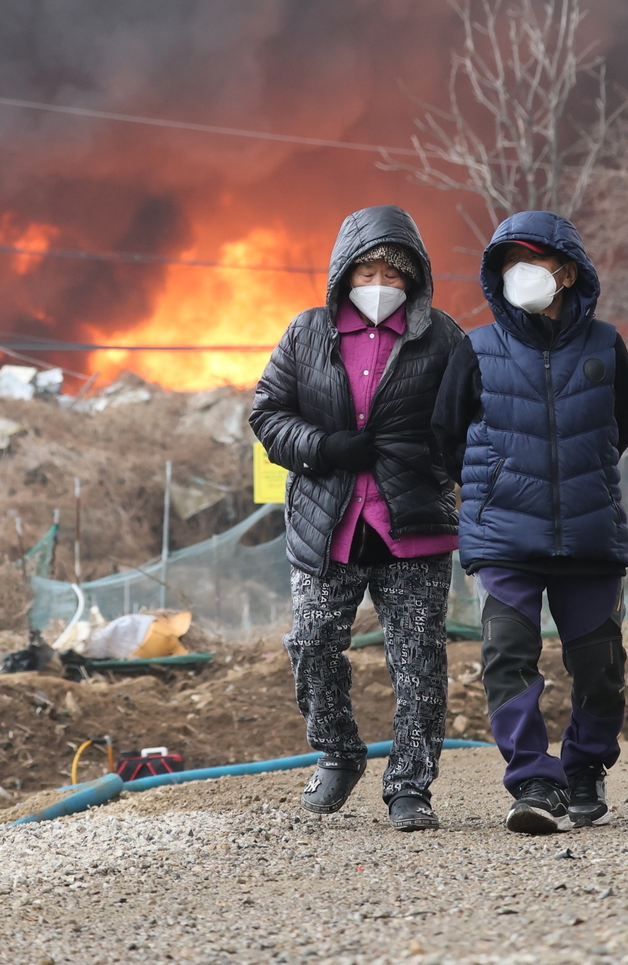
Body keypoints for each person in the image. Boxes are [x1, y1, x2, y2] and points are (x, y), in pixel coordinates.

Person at [250, 205, 463, 831]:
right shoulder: (306, 333)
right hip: (327, 525)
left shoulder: (443, 337)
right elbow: (268, 414)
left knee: (419, 661)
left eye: (392, 274)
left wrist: (436, 465)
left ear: (412, 278)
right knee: (312, 643)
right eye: (366, 271)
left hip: (413, 526)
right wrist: (323, 447)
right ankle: (339, 753)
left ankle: (410, 787)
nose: (378, 284)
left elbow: (468, 423)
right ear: (344, 273)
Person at [432, 209, 628, 834]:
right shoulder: (476, 349)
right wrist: (494, 484)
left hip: (590, 534)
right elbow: (446, 436)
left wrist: (576, 479)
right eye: (509, 263)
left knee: (601, 668)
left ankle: (585, 769)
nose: (521, 273)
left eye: (534, 260)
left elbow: (621, 428)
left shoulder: (607, 345)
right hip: (503, 538)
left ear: (568, 272)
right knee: (507, 659)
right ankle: (533, 782)